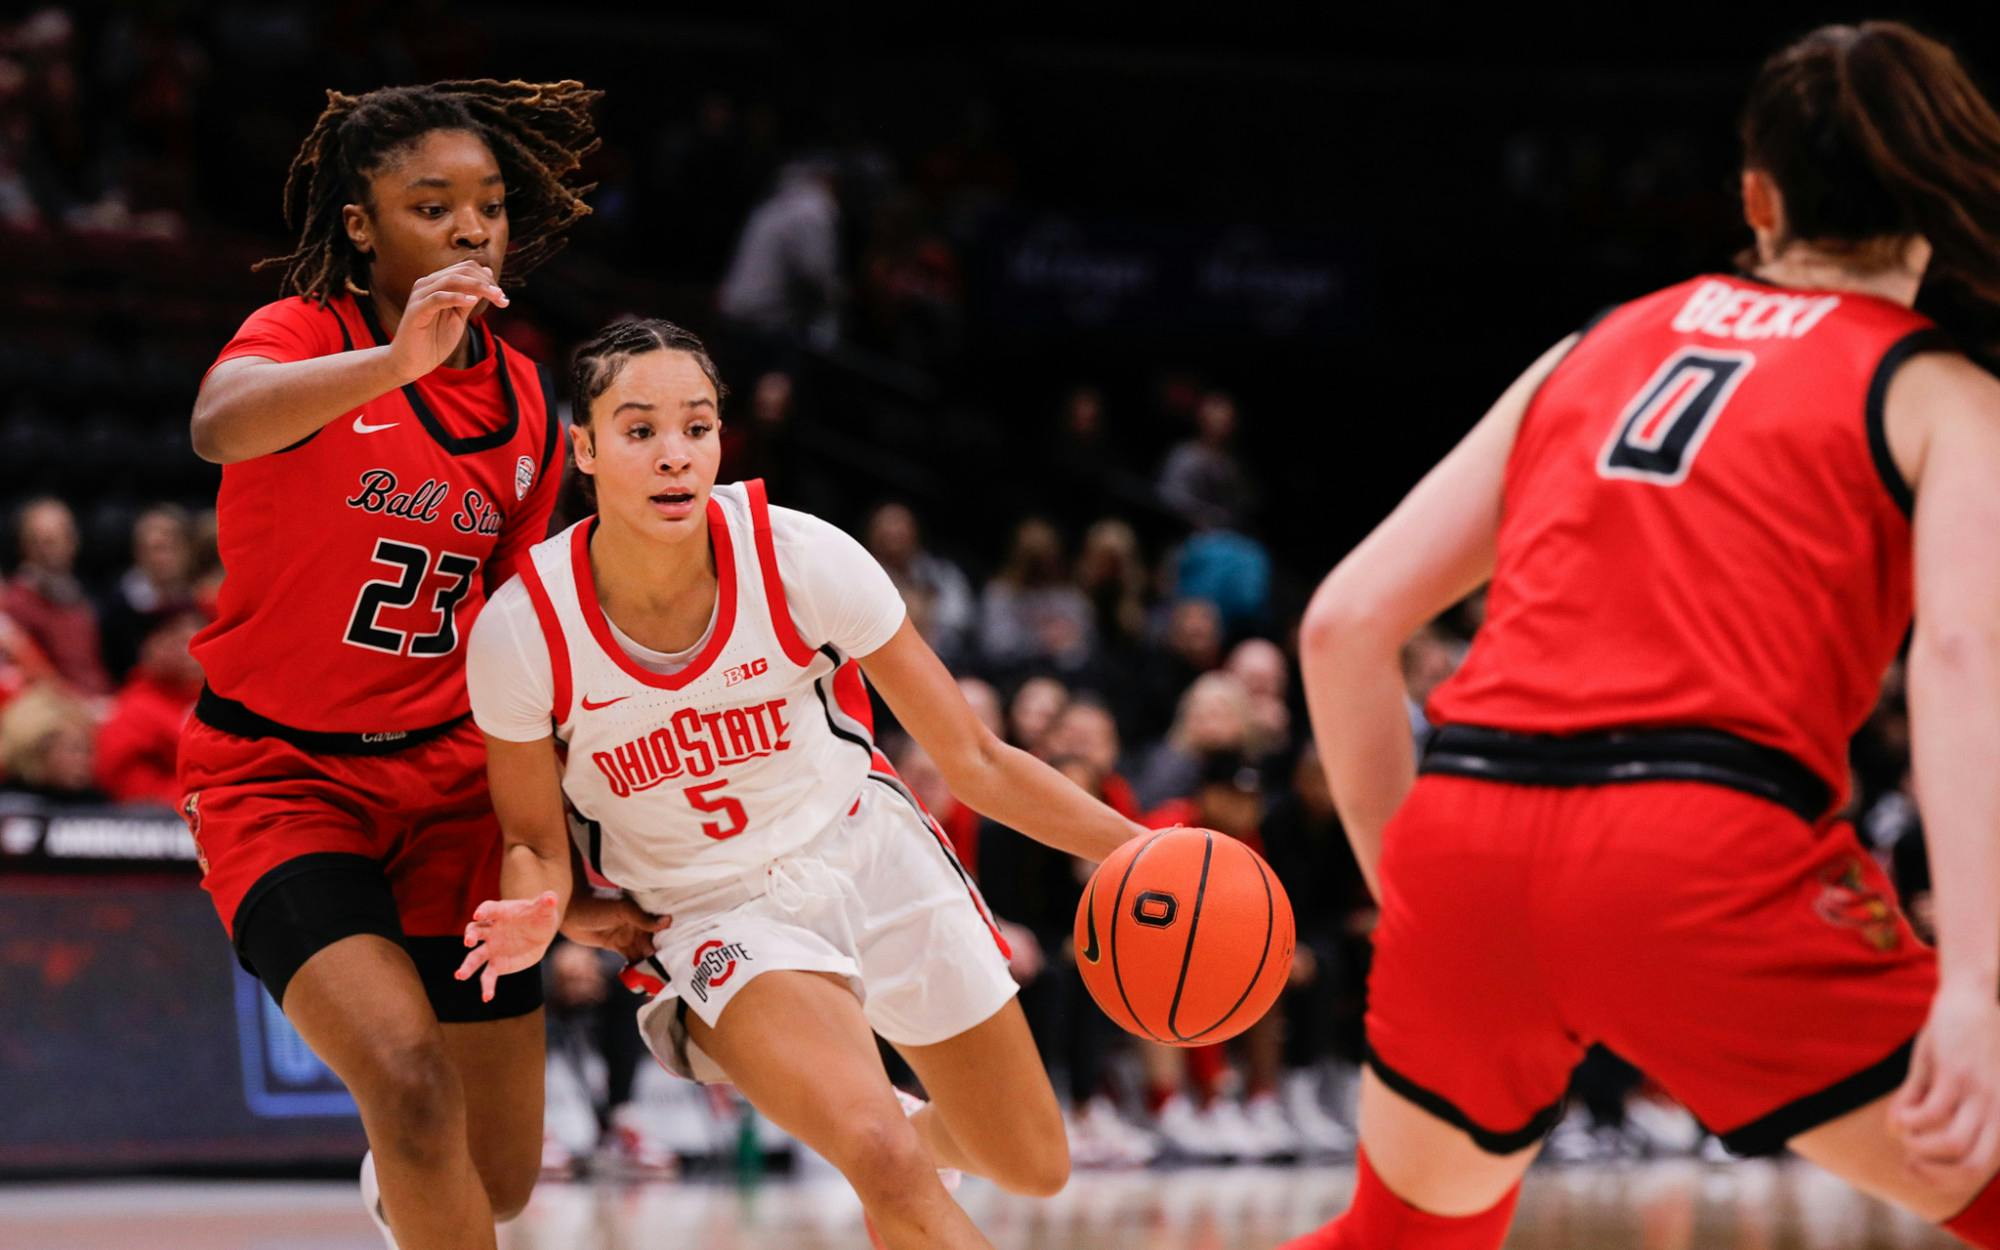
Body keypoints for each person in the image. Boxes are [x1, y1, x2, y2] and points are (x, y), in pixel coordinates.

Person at [1287, 23, 2000, 1249]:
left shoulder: (1596, 344)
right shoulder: (1939, 393)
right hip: (1705, 842)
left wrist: (1418, 893)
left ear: (1756, 193)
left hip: (1469, 822)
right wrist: (1980, 982)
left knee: (1398, 1236)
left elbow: (1344, 623)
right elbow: (1960, 663)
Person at [457, 318, 1144, 1250]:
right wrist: (542, 910)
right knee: (886, 1160)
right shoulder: (524, 628)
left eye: (696, 428)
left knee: (1031, 1161)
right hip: (713, 912)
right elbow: (535, 843)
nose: (673, 455)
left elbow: (975, 759)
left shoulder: (800, 556)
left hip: (866, 848)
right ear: (582, 447)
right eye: (639, 428)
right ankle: (879, 1150)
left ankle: (884, 1145)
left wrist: (1145, 852)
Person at [176, 80, 613, 1250]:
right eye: (433, 206)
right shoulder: (308, 332)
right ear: (363, 226)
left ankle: (410, 1188)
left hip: (450, 781)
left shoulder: (526, 393)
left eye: (487, 205)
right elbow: (221, 423)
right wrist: (396, 365)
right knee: (412, 1092)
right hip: (281, 777)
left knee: (501, 1175)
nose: (472, 228)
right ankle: (411, 1164)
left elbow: (520, 630)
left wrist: (558, 832)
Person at [4, 497, 110, 695]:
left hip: (100, 701)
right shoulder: (16, 604)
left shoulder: (83, 596)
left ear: (74, 541)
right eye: (40, 541)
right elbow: (32, 676)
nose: (49, 550)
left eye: (59, 538)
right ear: (24, 546)